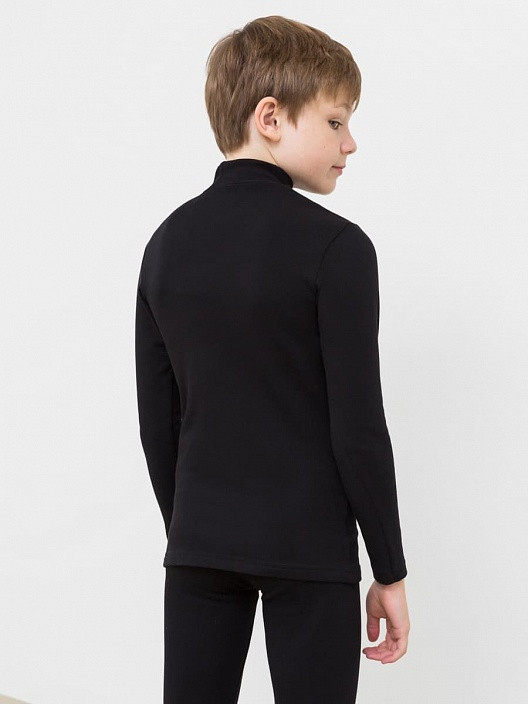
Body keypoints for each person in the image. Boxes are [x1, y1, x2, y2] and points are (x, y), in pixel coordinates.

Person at [135, 14, 410, 704]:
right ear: (271, 117)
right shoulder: (338, 248)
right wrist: (389, 568)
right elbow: (358, 426)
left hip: (199, 546)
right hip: (309, 551)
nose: (350, 142)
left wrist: (193, 529)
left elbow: (158, 421)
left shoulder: (166, 245)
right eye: (336, 121)